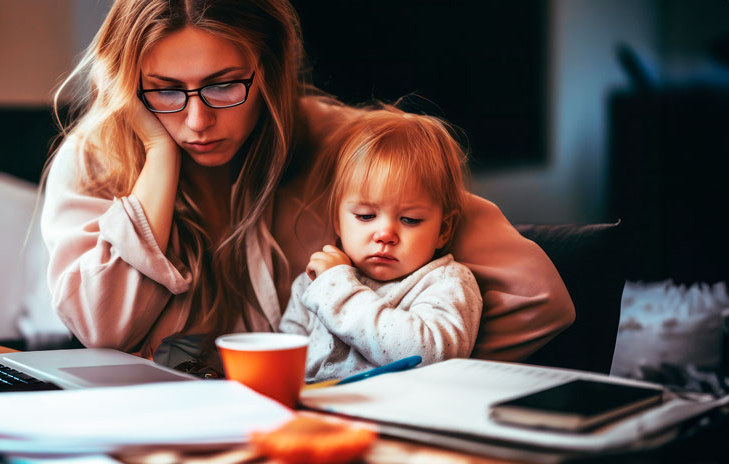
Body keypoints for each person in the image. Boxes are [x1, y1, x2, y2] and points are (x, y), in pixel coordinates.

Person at [40, 0, 573, 370]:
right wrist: (158, 159)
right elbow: (101, 328)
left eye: (224, 85)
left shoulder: (345, 150)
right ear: (129, 87)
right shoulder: (97, 160)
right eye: (163, 90)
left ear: (270, 69)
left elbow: (537, 296)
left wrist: (395, 377)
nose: (197, 122)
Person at [278, 106, 482, 383]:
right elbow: (285, 353)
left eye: (409, 220)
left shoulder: (445, 281)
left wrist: (340, 293)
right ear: (337, 222)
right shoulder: (315, 280)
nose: (385, 234)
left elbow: (430, 356)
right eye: (365, 216)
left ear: (443, 229)